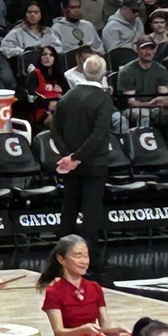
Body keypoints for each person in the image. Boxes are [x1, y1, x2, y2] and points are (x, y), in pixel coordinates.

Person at [51, 53, 113, 275]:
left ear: (84, 71)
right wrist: (76, 158)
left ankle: (60, 258)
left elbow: (54, 131)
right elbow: (98, 136)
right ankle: (89, 261)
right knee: (90, 214)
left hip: (71, 166)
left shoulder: (66, 98)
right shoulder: (103, 99)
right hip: (93, 165)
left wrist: (69, 157)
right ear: (102, 74)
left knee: (69, 211)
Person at [118, 35, 168, 159]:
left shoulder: (161, 69)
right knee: (144, 113)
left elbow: (163, 94)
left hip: (154, 108)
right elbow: (131, 102)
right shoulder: (127, 71)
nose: (148, 52)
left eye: (151, 48)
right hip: (132, 111)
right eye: (144, 48)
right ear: (137, 50)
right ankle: (144, 156)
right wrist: (150, 104)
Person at [28, 45, 66, 126]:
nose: (47, 57)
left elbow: (68, 93)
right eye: (44, 54)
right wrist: (47, 104)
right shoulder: (34, 74)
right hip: (42, 110)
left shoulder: (60, 76)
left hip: (61, 107)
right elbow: (30, 97)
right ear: (40, 57)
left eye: (51, 55)